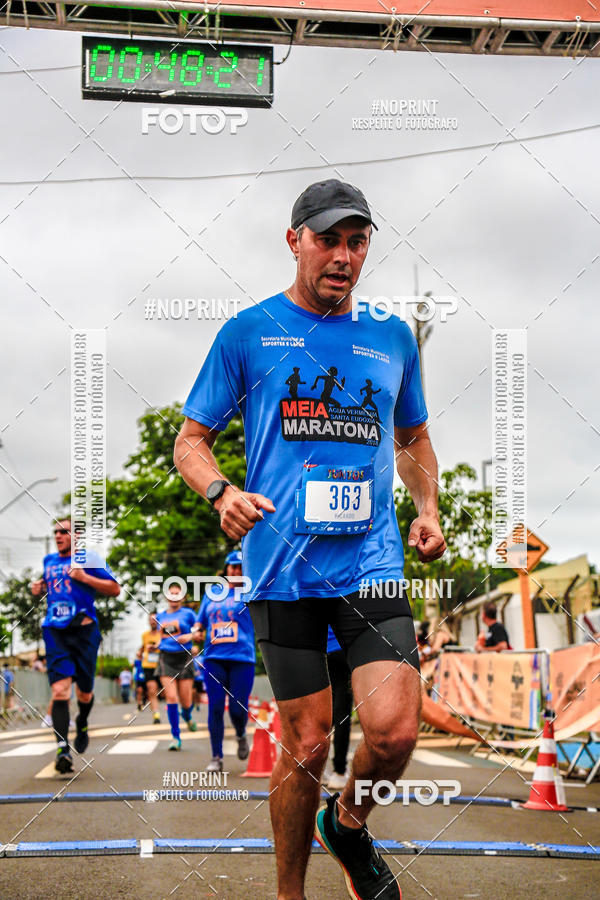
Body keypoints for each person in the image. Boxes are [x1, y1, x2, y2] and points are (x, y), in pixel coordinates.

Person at [174, 178, 446, 900]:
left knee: (392, 734)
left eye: (357, 242)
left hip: (372, 563)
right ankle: (288, 893)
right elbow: (191, 440)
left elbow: (413, 435)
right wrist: (221, 491)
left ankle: (348, 824)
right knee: (306, 743)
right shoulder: (249, 333)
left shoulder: (391, 337)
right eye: (328, 238)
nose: (344, 255)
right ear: (294, 240)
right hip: (282, 569)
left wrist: (428, 508)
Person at [31, 518, 120, 773]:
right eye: (56, 532)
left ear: (76, 536)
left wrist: (84, 577)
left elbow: (115, 589)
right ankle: (62, 749)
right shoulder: (49, 562)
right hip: (55, 630)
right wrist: (38, 588)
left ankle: (81, 721)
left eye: (64, 531)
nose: (58, 535)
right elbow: (49, 585)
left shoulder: (89, 558)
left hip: (84, 630)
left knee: (85, 693)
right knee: (60, 691)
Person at [192, 550, 255, 772]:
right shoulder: (212, 593)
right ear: (226, 569)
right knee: (215, 707)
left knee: (238, 710)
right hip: (214, 658)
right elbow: (199, 622)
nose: (236, 571)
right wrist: (197, 631)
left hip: (242, 658)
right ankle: (216, 757)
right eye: (232, 567)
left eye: (239, 567)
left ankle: (240, 734)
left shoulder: (251, 591)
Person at [155, 583, 197, 750]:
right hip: (166, 658)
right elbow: (161, 638)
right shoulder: (160, 616)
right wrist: (155, 645)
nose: (174, 597)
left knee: (186, 701)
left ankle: (187, 715)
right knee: (171, 697)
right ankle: (175, 737)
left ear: (182, 597)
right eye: (171, 594)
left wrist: (190, 636)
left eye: (177, 594)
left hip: (184, 657)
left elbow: (199, 632)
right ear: (166, 597)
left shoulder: (189, 614)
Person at [326, 626, 353, 791]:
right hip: (343, 648)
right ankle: (339, 772)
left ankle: (316, 769)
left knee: (321, 712)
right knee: (342, 713)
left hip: (320, 649)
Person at [140, 613, 162, 723]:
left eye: (155, 620)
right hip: (148, 665)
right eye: (151, 620)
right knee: (152, 690)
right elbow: (143, 647)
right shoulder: (144, 635)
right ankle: (156, 714)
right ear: (148, 622)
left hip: (162, 665)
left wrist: (157, 646)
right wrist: (140, 652)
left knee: (166, 691)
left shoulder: (163, 634)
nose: (153, 622)